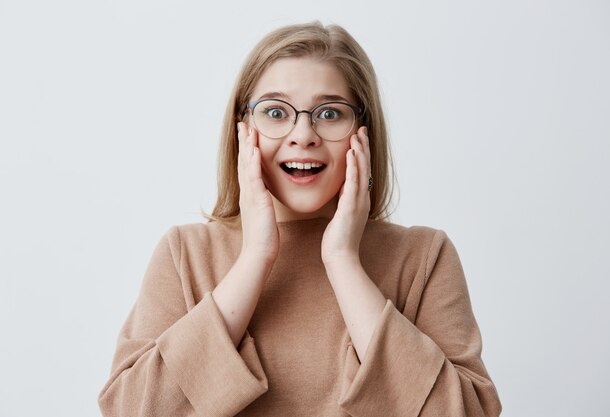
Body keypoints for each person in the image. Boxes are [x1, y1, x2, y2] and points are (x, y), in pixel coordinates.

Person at [98, 21, 502, 417]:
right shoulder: (184, 253)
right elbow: (129, 409)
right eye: (276, 112)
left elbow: (466, 412)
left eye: (329, 113)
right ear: (243, 130)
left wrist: (343, 261)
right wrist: (256, 255)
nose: (303, 133)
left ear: (362, 131)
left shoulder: (424, 257)